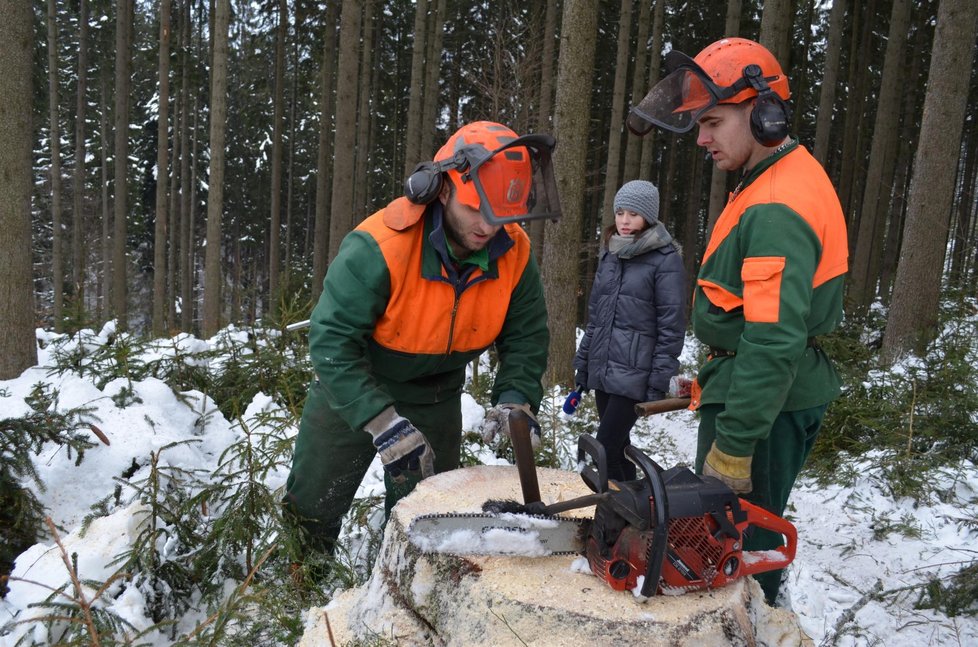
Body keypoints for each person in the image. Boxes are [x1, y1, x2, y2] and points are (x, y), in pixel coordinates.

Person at [626, 37, 849, 604]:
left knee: (735, 546)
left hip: (766, 406)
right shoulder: (766, 183)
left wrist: (736, 446)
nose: (702, 138)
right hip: (753, 389)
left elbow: (775, 339)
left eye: (714, 122)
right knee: (724, 539)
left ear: (765, 113)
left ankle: (750, 624)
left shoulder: (778, 203)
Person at [284, 121, 560, 555]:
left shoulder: (516, 253)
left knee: (429, 515)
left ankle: (404, 597)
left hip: (436, 394)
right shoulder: (381, 245)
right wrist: (380, 422)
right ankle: (301, 591)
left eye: (501, 215)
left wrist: (516, 396)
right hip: (354, 385)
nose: (489, 227)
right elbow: (332, 340)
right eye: (476, 210)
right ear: (444, 189)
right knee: (314, 505)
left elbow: (526, 335)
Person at [572, 180, 686, 481]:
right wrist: (584, 365)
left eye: (633, 214)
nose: (624, 220)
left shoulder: (665, 260)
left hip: (634, 374)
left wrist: (658, 379)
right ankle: (633, 513)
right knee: (618, 448)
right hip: (605, 370)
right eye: (620, 212)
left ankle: (621, 511)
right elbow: (596, 319)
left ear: (648, 216)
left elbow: (671, 326)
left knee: (605, 447)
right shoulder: (611, 254)